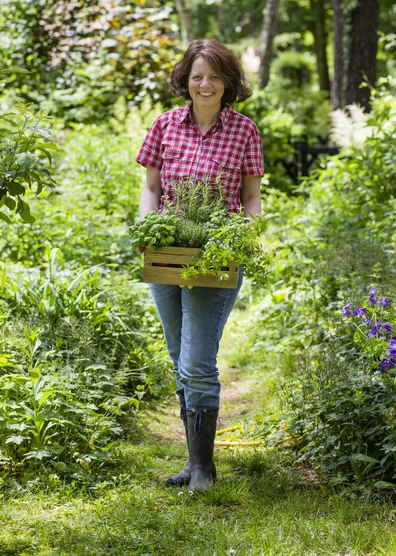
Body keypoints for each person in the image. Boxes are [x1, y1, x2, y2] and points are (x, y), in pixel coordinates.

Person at [136, 38, 264, 491]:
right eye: (196, 76)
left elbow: (250, 198)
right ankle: (194, 463)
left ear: (228, 82)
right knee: (178, 356)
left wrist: (242, 238)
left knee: (196, 361)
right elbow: (151, 189)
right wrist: (146, 228)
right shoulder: (165, 125)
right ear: (185, 81)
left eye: (213, 76)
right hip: (168, 254)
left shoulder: (245, 130)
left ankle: (205, 469)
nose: (204, 84)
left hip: (217, 255)